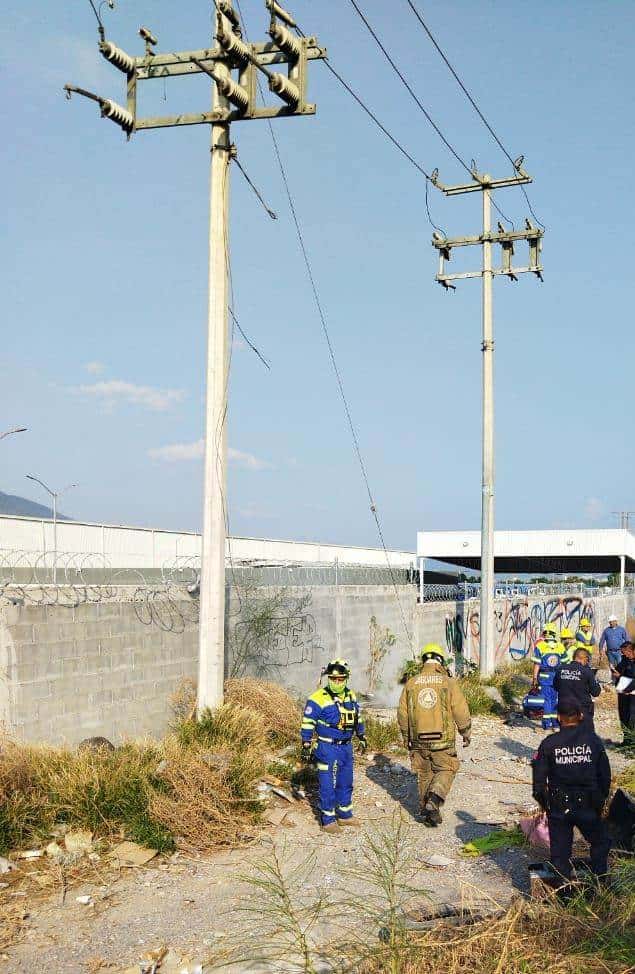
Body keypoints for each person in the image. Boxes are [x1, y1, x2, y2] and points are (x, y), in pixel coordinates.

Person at [532, 702, 611, 892]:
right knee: (600, 842)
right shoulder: (593, 741)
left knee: (560, 853)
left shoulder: (549, 744)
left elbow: (539, 785)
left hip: (559, 806)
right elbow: (605, 777)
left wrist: (547, 806)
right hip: (589, 804)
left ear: (558, 717)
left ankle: (563, 893)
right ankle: (601, 884)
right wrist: (600, 802)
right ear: (581, 717)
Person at [397, 643, 471, 827]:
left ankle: (427, 812)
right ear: (440, 661)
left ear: (423, 661)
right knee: (447, 768)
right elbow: (460, 710)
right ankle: (435, 798)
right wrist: (465, 731)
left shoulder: (411, 683)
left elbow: (402, 714)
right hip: (442, 740)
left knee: (424, 773)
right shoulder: (448, 682)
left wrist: (407, 738)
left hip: (418, 740)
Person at [300, 658, 367, 833]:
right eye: (333, 679)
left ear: (346, 679)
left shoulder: (350, 696)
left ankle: (345, 815)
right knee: (327, 784)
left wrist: (361, 735)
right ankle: (328, 820)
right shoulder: (317, 698)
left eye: (340, 679)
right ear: (328, 678)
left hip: (346, 746)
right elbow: (308, 722)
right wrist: (306, 743)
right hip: (326, 747)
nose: (337, 682)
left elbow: (357, 717)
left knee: (346, 781)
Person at [531, 623, 568, 730]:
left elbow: (537, 664)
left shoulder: (540, 646)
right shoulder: (560, 646)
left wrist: (534, 678)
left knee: (547, 700)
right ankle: (555, 724)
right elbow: (565, 663)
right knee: (555, 699)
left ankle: (547, 724)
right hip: (557, 676)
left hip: (544, 676)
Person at [554, 647, 601, 729]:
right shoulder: (587, 671)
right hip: (582, 710)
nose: (587, 662)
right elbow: (596, 692)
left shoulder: (560, 669)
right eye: (587, 660)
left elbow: (556, 687)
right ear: (584, 658)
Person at [610, 641, 635, 749]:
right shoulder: (625, 660)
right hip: (623, 694)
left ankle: (632, 745)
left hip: (633, 695)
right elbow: (619, 671)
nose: (623, 655)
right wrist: (614, 672)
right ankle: (626, 742)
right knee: (623, 717)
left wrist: (620, 676)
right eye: (622, 652)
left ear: (631, 650)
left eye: (625, 652)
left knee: (632, 719)